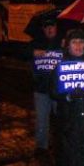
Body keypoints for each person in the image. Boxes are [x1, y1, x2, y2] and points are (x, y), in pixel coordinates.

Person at [51, 29, 84, 166]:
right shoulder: (60, 67)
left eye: (81, 41)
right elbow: (53, 92)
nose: (78, 45)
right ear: (68, 45)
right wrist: (68, 97)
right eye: (74, 42)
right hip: (69, 122)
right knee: (70, 159)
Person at [29, 18, 61, 154]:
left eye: (52, 26)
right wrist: (32, 52)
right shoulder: (35, 44)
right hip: (41, 89)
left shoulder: (62, 43)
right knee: (42, 119)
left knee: (61, 119)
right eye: (46, 27)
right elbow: (19, 52)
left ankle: (61, 144)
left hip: (58, 90)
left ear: (56, 28)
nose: (49, 29)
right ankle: (42, 146)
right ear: (43, 29)